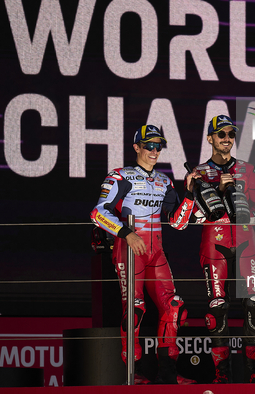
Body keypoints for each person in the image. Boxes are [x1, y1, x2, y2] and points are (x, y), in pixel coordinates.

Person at [90, 125, 198, 385]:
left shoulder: (164, 181)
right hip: (129, 251)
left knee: (174, 308)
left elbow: (178, 223)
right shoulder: (120, 176)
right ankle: (134, 372)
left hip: (156, 253)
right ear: (136, 147)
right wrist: (126, 233)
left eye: (158, 146)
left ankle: (168, 373)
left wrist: (190, 192)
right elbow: (97, 212)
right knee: (135, 309)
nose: (154, 151)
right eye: (149, 145)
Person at [189, 115, 255, 383]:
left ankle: (253, 374)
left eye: (231, 134)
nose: (227, 139)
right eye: (221, 134)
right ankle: (220, 375)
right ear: (210, 138)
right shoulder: (198, 173)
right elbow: (192, 218)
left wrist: (241, 204)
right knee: (217, 308)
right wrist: (215, 200)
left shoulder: (250, 169)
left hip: (248, 243)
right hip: (214, 244)